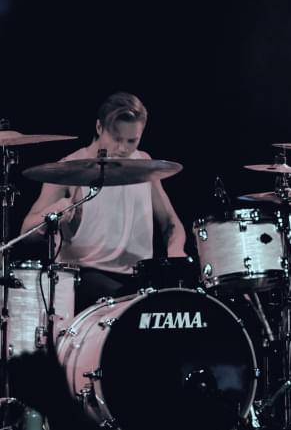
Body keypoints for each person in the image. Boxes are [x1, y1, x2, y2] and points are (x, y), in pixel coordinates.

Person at [21, 91, 187, 311]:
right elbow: (26, 231)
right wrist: (52, 213)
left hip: (139, 279)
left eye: (132, 141)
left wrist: (176, 252)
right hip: (85, 278)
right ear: (99, 127)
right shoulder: (68, 168)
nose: (124, 149)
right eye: (117, 139)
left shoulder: (143, 164)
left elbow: (171, 224)